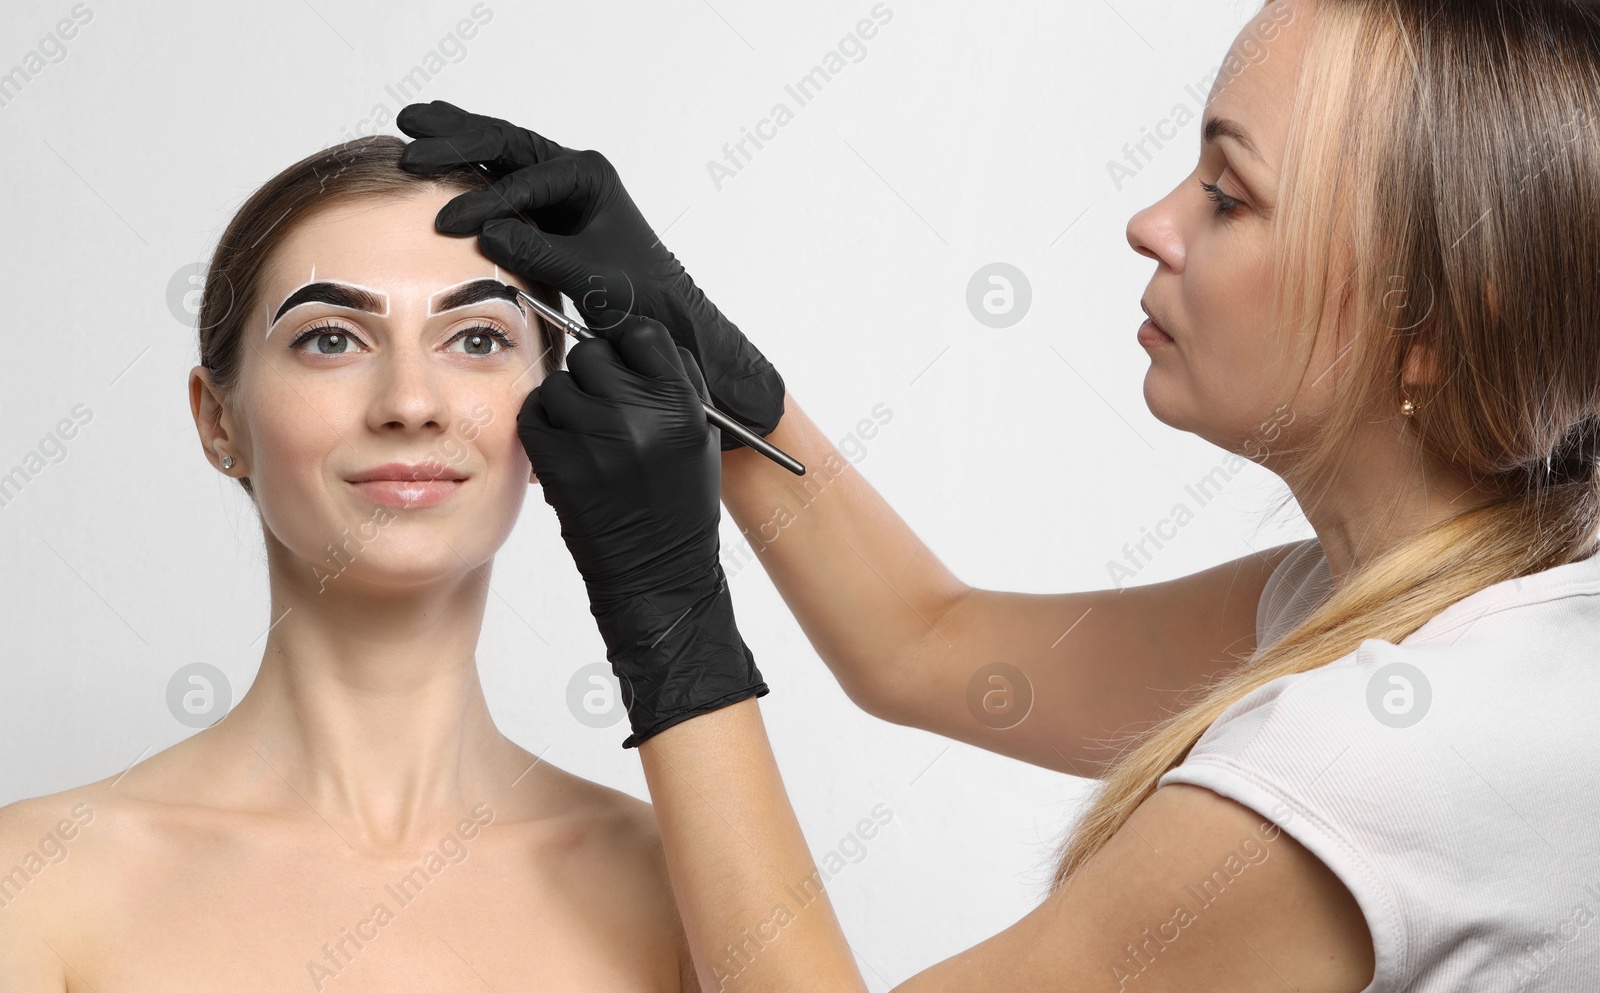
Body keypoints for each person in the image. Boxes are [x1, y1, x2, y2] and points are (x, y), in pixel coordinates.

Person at [395, 0, 1600, 989]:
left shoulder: (1367, 771)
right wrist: (729, 387)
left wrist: (668, 621)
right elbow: (934, 645)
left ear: (1428, 327)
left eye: (1228, 197)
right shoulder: (1433, 611)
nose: (1150, 223)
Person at [0, 136, 699, 991]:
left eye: (477, 338)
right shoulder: (34, 886)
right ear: (220, 421)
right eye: (331, 338)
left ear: (555, 402)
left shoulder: (690, 891)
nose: (410, 402)